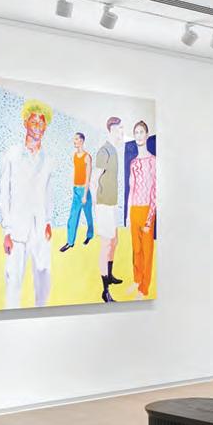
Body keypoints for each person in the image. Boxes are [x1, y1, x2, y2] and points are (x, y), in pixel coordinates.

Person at [0, 99, 56, 309]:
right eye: (34, 122)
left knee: (43, 281)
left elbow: (48, 193)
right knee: (13, 281)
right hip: (16, 231)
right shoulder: (12, 155)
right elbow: (4, 193)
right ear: (25, 123)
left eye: (41, 123)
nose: (38, 127)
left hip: (40, 229)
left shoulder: (48, 160)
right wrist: (7, 230)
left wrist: (48, 221)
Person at [93, 117, 124, 302]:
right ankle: (105, 291)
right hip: (103, 205)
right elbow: (94, 180)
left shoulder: (114, 150)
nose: (122, 132)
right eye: (120, 128)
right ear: (112, 129)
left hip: (111, 204)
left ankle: (109, 275)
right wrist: (96, 206)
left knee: (114, 241)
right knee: (106, 245)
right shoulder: (104, 151)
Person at [126, 120, 156, 299]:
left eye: (141, 132)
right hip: (134, 210)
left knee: (147, 250)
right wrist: (128, 215)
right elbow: (131, 189)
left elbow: (155, 191)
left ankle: (144, 288)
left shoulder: (153, 161)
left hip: (146, 210)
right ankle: (137, 280)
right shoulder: (133, 162)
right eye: (136, 132)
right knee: (136, 249)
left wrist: (149, 218)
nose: (138, 135)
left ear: (146, 135)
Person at [59, 132, 94, 252]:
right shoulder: (74, 156)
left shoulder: (87, 157)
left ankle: (89, 235)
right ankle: (70, 242)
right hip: (76, 190)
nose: (74, 141)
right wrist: (74, 187)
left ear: (82, 141)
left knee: (88, 216)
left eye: (76, 139)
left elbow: (88, 177)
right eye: (74, 139)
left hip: (84, 191)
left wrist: (85, 194)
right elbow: (77, 172)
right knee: (73, 217)